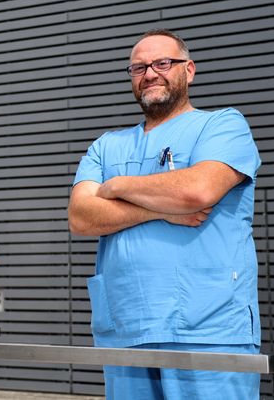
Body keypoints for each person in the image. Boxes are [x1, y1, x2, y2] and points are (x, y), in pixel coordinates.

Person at [68, 29, 261, 400]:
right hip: (127, 330)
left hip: (209, 330)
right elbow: (82, 217)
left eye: (162, 63)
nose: (150, 73)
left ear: (188, 70)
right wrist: (159, 211)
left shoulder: (222, 125)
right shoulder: (106, 145)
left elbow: (197, 191)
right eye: (138, 67)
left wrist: (118, 186)